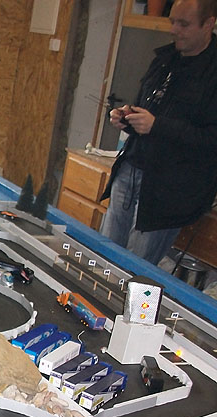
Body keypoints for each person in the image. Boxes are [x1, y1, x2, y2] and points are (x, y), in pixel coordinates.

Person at [100, 0, 217, 266]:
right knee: (102, 257)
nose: (174, 30)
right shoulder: (165, 59)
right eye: (172, 21)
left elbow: (211, 140)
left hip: (168, 191)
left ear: (208, 24)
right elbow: (147, 107)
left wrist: (157, 126)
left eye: (184, 24)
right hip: (130, 169)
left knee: (134, 271)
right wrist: (127, 117)